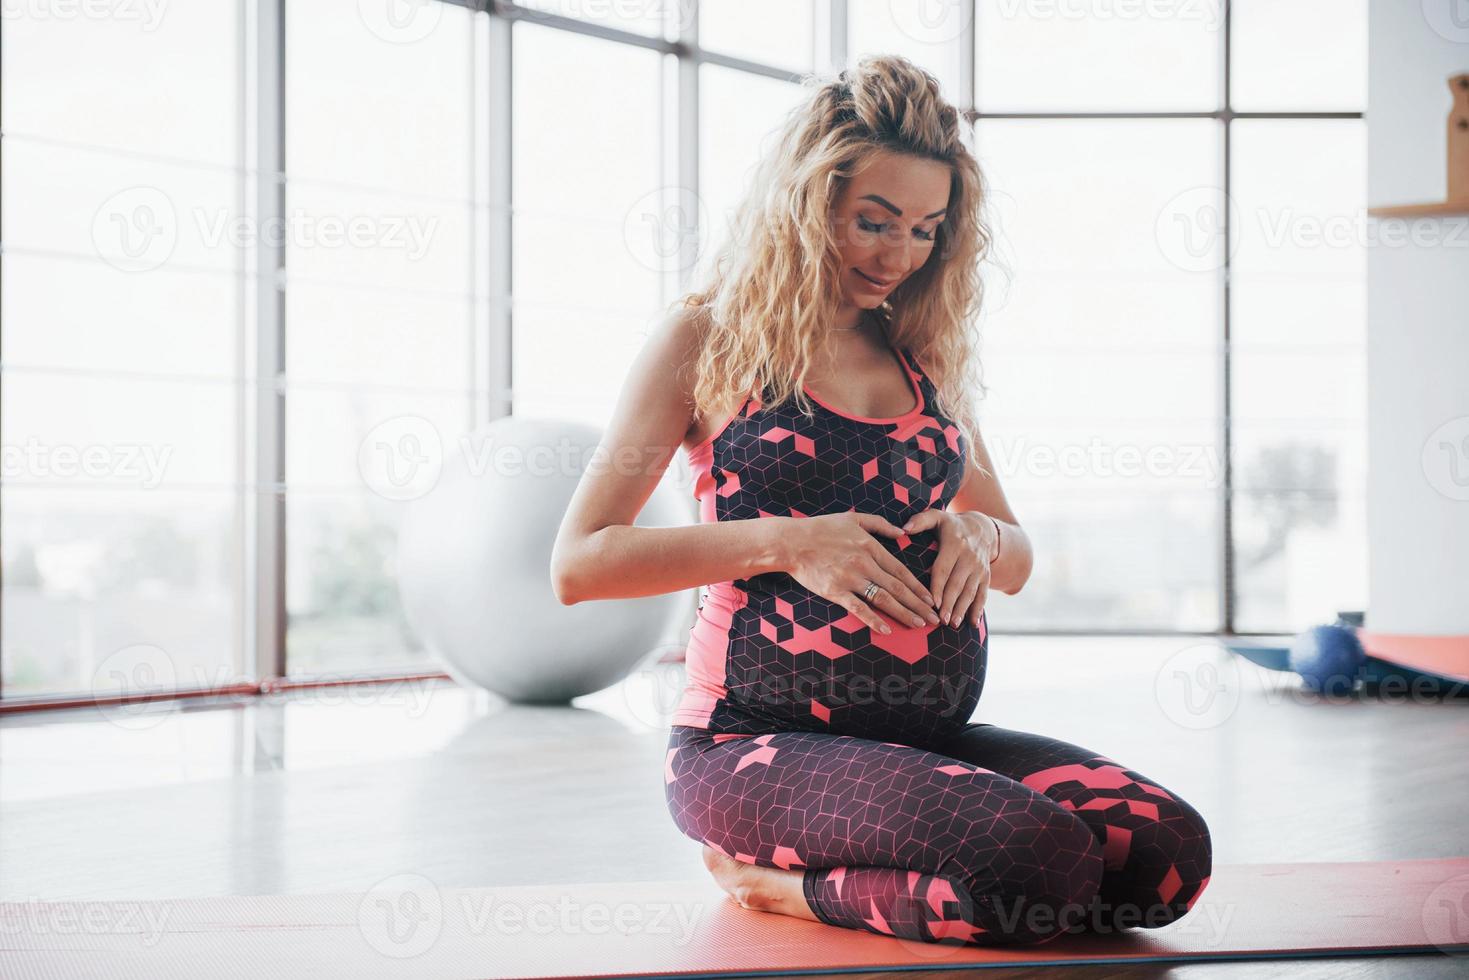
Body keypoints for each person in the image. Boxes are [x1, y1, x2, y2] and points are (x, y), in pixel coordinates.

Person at [550, 54, 1211, 947]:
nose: (897, 254)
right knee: (1034, 861)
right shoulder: (705, 340)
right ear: (807, 202)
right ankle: (773, 887)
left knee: (1165, 855)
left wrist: (980, 534)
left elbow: (1014, 555)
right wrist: (788, 542)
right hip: (747, 746)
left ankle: (946, 864)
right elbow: (580, 563)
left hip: (923, 745)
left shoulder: (922, 356)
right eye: (874, 221)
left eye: (925, 229)